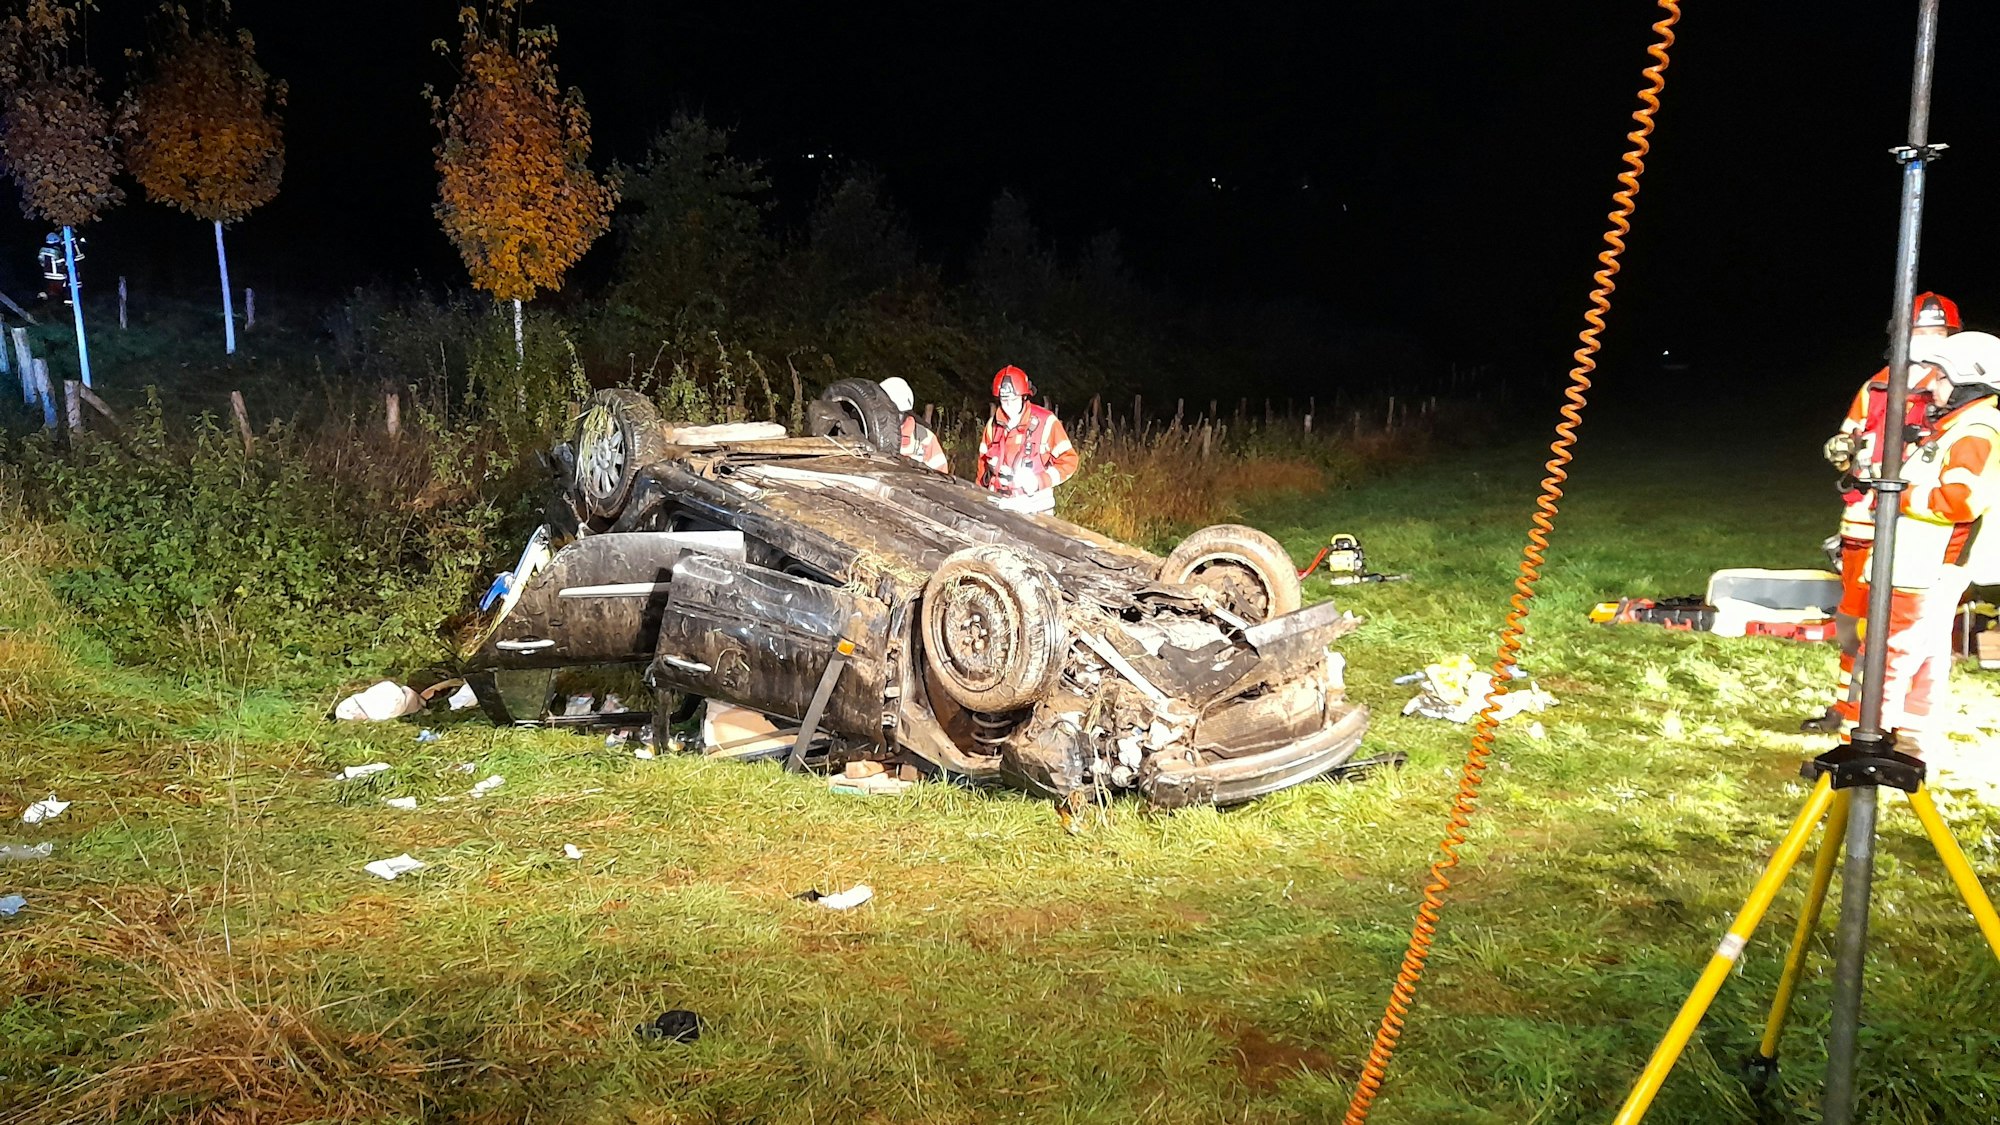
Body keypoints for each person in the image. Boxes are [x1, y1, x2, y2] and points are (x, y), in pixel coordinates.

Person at [1804, 291, 1960, 733]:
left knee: (1900, 630)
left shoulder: (1954, 392)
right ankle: (1846, 709)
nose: (1928, 341)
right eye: (1920, 332)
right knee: (1852, 622)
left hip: (1917, 525)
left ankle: (1894, 721)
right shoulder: (1877, 385)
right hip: (1863, 520)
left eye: (1937, 333)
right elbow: (1849, 437)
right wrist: (1843, 451)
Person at [1853, 329, 2000, 753]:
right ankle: (1913, 740)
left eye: (1940, 377)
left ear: (1967, 383)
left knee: (1888, 651)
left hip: (1924, 565)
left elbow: (1959, 501)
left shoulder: (1973, 432)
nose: (1931, 385)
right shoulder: (1964, 426)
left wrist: (1897, 494)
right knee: (1929, 650)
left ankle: (1868, 744)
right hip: (1934, 566)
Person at [975, 365, 1078, 515]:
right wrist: (979, 496)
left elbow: (1069, 461)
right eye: (1004, 399)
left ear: (1024, 396)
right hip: (998, 503)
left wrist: (1039, 481)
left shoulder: (1045, 422)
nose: (1008, 404)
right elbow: (982, 468)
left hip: (1035, 507)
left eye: (1013, 399)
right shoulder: (993, 425)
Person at [878, 376, 949, 473]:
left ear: (904, 412)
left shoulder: (925, 439)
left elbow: (942, 478)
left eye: (893, 412)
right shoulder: (866, 430)